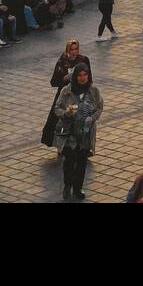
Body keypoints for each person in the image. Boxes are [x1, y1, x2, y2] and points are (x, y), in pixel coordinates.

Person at [53, 64, 102, 201]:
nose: (82, 78)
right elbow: (57, 107)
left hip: (85, 133)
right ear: (75, 76)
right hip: (69, 133)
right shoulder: (67, 91)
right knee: (69, 161)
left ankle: (77, 188)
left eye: (85, 75)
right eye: (80, 75)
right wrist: (66, 113)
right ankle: (67, 185)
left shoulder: (93, 91)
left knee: (82, 162)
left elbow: (99, 107)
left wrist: (92, 118)